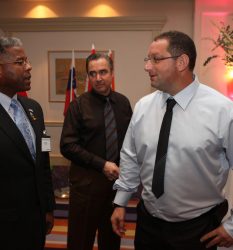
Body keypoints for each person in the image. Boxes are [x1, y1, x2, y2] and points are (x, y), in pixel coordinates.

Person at [111, 30, 233, 250]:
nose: (147, 66)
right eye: (147, 59)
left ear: (182, 62)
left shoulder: (222, 111)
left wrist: (232, 227)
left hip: (197, 229)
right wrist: (121, 202)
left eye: (156, 59)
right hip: (147, 224)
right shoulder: (143, 107)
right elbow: (130, 157)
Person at [60, 53, 132, 250]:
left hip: (114, 192)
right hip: (85, 191)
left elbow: (129, 144)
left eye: (103, 72)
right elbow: (67, 145)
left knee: (111, 243)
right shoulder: (78, 106)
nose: (98, 78)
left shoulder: (123, 104)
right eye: (93, 73)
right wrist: (102, 165)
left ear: (112, 73)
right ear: (88, 77)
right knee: (80, 243)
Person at [0, 36, 55, 249]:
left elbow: (43, 159)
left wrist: (48, 207)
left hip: (36, 221)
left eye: (27, 60)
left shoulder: (33, 108)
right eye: (20, 62)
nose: (29, 67)